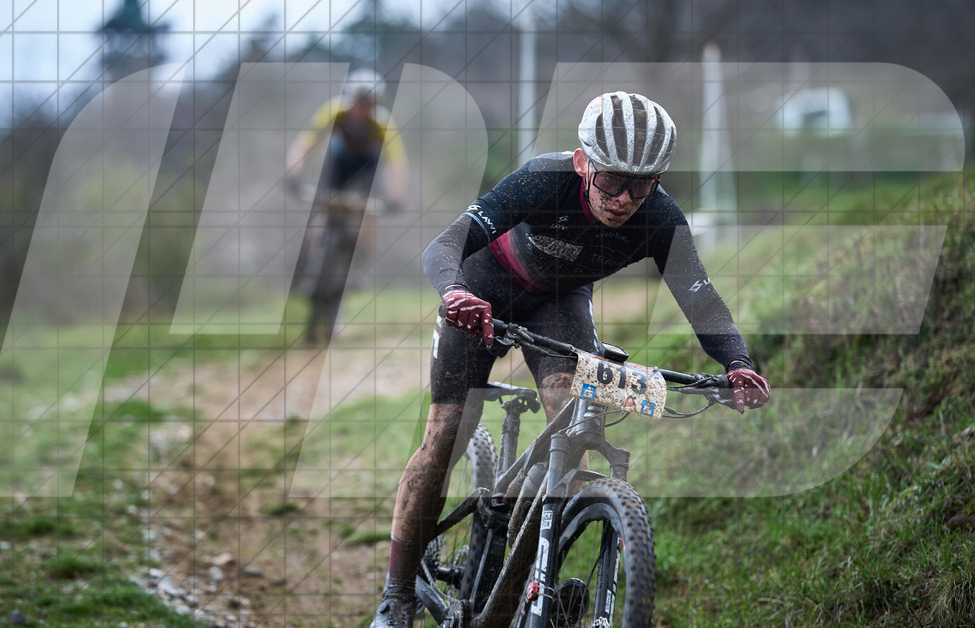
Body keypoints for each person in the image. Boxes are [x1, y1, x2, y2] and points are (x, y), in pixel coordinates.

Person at [370, 91, 771, 626]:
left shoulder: (660, 217)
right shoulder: (543, 180)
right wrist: (454, 292)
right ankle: (397, 593)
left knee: (575, 433)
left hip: (558, 305)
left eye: (642, 184)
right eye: (612, 180)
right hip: (483, 289)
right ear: (583, 162)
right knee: (447, 434)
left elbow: (701, 298)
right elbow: (444, 245)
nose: (624, 198)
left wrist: (737, 363)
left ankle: (530, 570)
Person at [286, 68, 407, 343]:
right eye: (358, 103)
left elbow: (396, 162)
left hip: (365, 170)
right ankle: (314, 257)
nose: (362, 110)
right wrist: (294, 172)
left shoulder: (382, 123)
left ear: (376, 105)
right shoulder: (334, 111)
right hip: (337, 168)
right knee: (321, 209)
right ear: (349, 99)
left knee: (367, 214)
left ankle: (358, 266)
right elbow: (306, 143)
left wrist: (397, 195)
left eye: (368, 105)